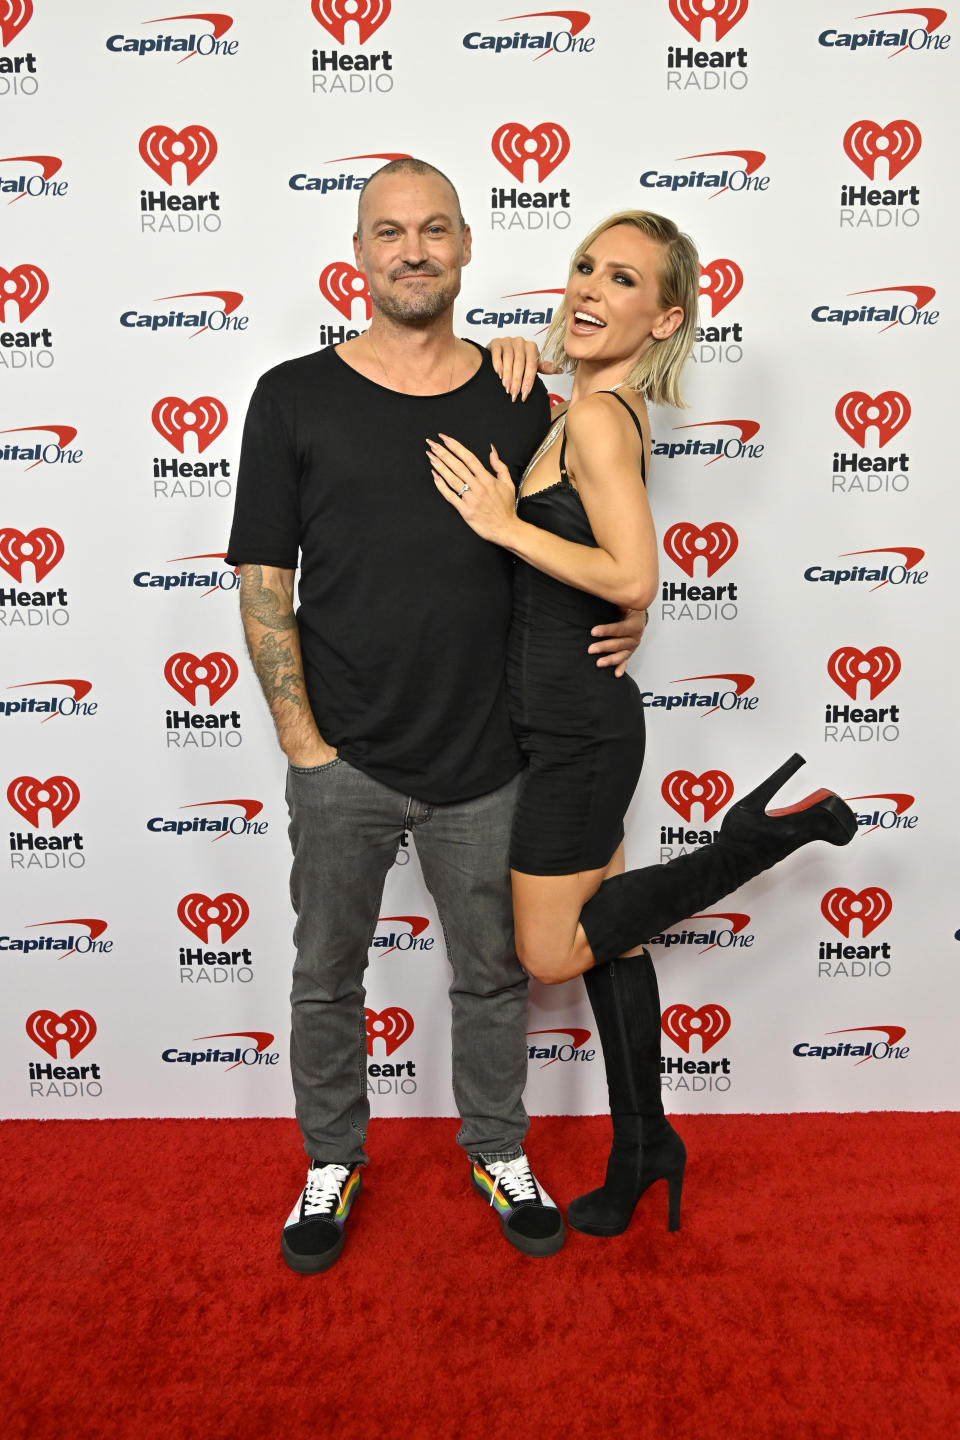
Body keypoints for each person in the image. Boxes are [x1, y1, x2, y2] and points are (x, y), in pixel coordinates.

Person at [225, 159, 648, 1273]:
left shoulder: (519, 394)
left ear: (466, 247)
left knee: (494, 975)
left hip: (491, 755)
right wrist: (302, 743)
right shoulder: (292, 395)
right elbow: (265, 578)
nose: (412, 251)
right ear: (358, 255)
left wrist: (629, 611)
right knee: (325, 975)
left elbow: (579, 542)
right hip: (343, 757)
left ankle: (497, 1146)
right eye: (388, 233)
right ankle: (332, 1158)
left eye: (434, 231)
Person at [429, 209, 858, 1239]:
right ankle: (642, 1146)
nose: (589, 288)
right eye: (583, 267)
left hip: (577, 732)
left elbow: (632, 575)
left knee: (550, 953)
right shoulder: (575, 408)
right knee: (614, 942)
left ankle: (755, 841)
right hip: (565, 718)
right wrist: (513, 361)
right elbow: (606, 579)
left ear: (664, 316)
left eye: (621, 280)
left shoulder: (605, 419)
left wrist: (500, 523)